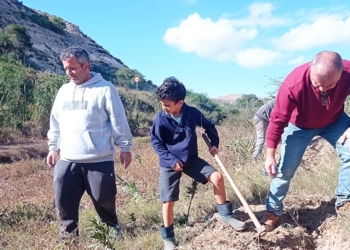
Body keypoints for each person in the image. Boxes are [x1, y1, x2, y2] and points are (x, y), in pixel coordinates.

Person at [150, 77, 246, 250]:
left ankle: (225, 215)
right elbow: (156, 142)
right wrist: (171, 161)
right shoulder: (160, 118)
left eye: (167, 105)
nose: (164, 108)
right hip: (169, 163)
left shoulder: (192, 113)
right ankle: (169, 239)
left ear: (180, 102)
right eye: (162, 104)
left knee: (217, 176)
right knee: (168, 201)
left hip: (191, 160)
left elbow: (209, 126)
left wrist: (214, 142)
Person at [46, 47, 133, 239]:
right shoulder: (64, 90)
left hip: (98, 158)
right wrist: (53, 147)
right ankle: (68, 237)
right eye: (66, 69)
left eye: (73, 68)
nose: (69, 73)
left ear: (86, 66)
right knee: (63, 199)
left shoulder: (105, 89)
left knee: (104, 199)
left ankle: (112, 230)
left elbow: (118, 119)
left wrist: (125, 147)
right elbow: (55, 121)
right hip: (68, 158)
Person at [261, 51, 350, 232]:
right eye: (317, 84)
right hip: (299, 126)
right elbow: (277, 120)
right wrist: (270, 154)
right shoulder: (294, 84)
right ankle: (273, 211)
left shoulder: (349, 71)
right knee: (285, 169)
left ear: (341, 74)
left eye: (329, 85)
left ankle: (344, 202)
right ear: (311, 69)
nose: (321, 90)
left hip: (335, 121)